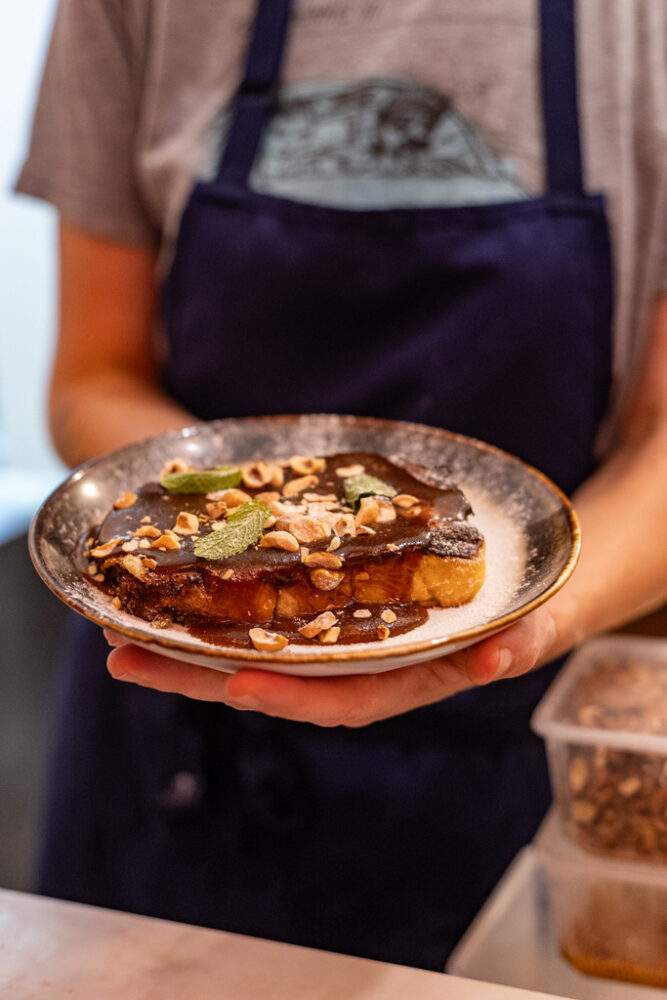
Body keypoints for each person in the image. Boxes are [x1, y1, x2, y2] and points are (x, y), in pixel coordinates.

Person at [17, 0, 667, 971]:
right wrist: (254, 518)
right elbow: (90, 378)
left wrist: (526, 622)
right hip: (171, 722)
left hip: (500, 736)